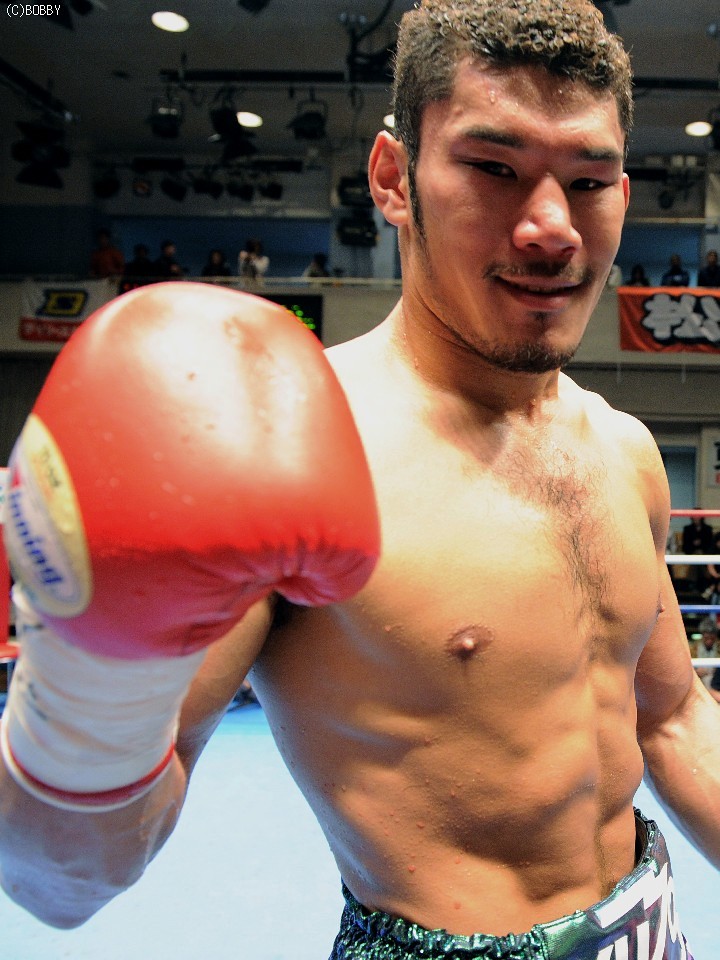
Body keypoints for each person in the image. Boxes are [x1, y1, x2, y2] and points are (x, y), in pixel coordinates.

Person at [1, 3, 718, 959]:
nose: (551, 228)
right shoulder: (303, 445)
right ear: (393, 178)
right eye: (493, 168)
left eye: (587, 182)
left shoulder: (624, 449)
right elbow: (59, 882)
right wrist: (88, 683)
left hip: (650, 929)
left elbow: (671, 718)